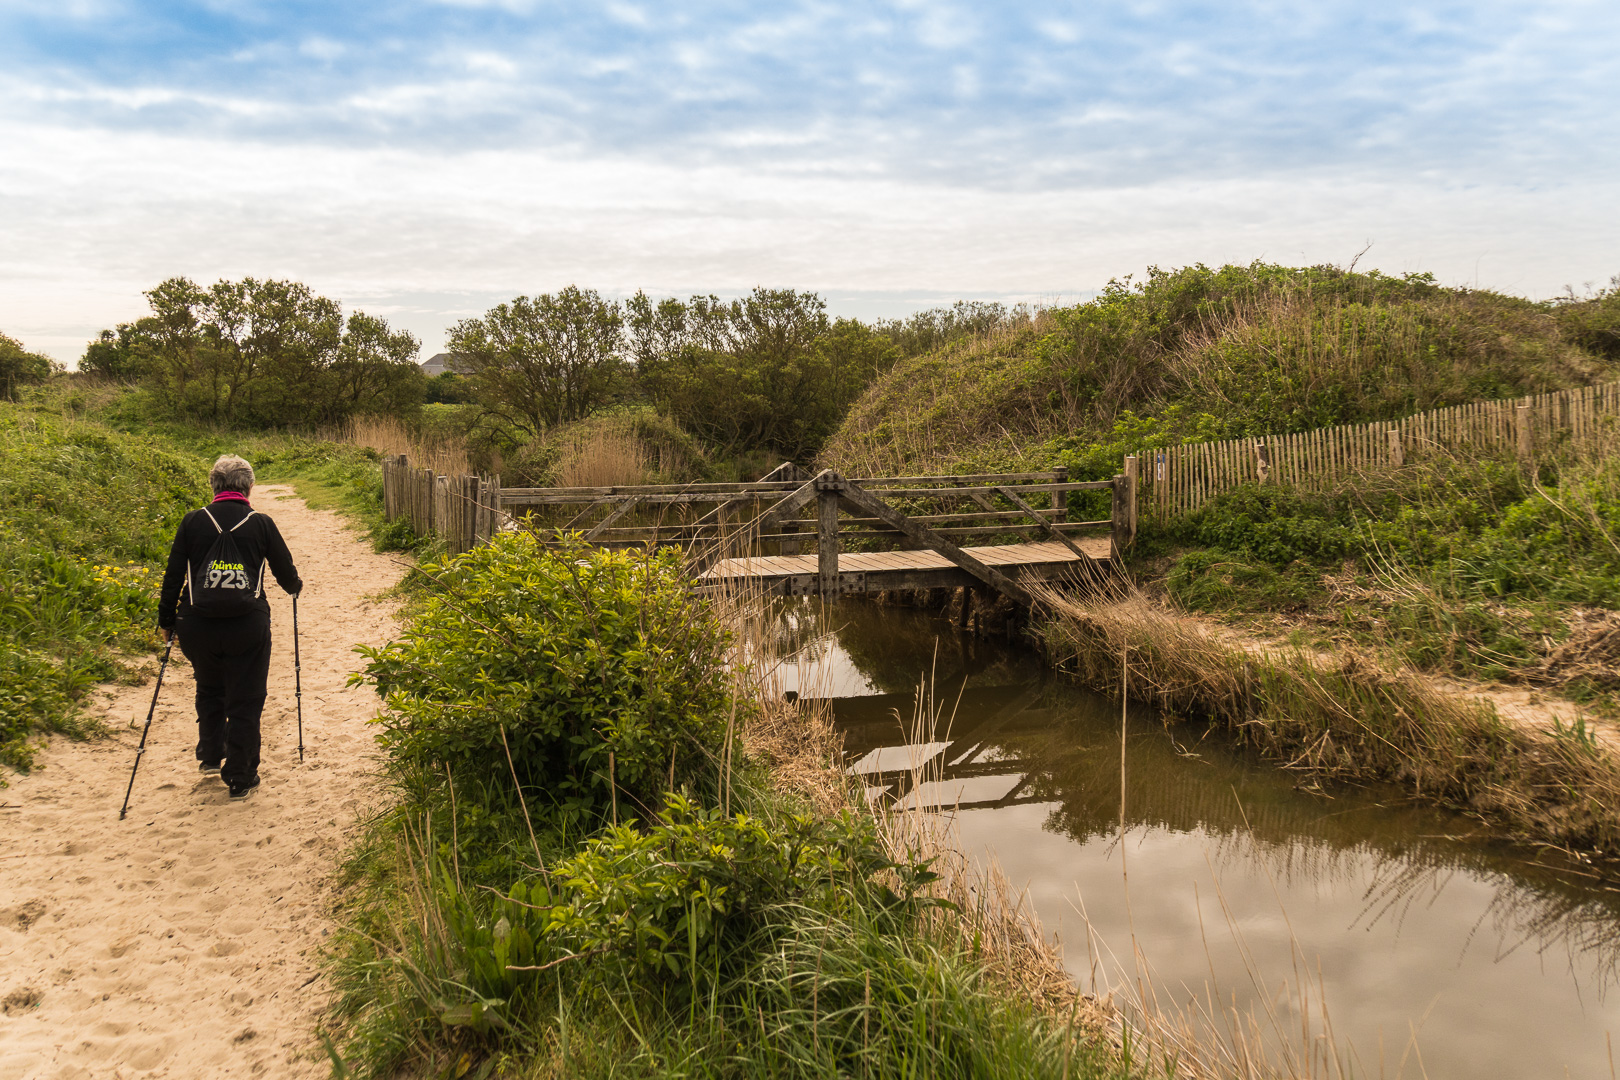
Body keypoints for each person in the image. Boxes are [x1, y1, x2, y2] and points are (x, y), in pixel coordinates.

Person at [157, 455, 302, 799]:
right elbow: (285, 574)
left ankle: (210, 755)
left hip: (196, 623)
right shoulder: (261, 522)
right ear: (249, 487)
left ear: (214, 486)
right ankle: (240, 775)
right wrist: (295, 586)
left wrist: (167, 621)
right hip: (247, 625)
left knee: (209, 686)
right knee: (246, 698)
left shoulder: (192, 521)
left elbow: (174, 575)